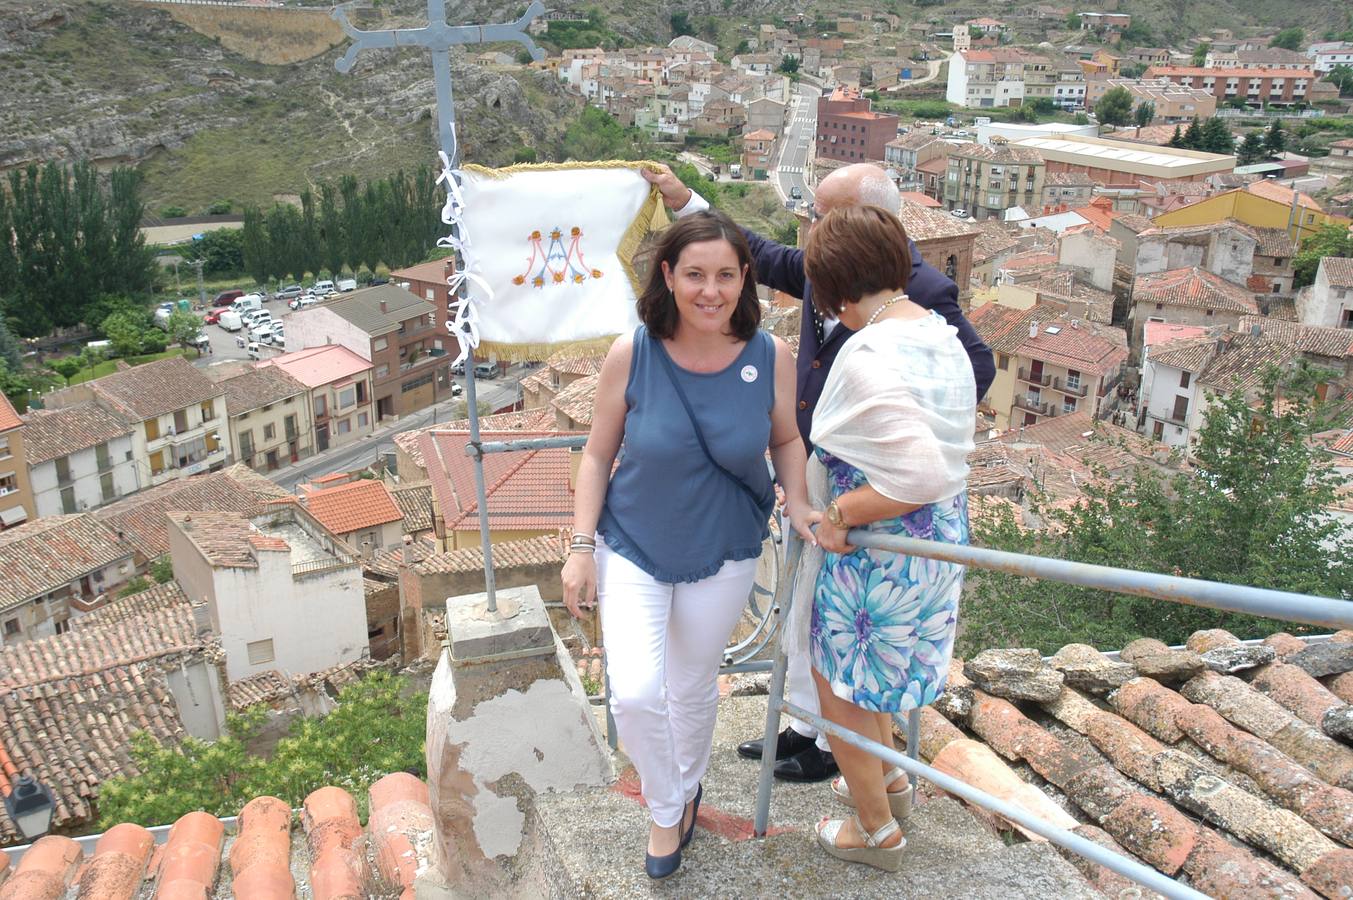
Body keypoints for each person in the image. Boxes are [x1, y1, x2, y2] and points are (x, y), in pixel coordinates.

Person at [643, 162, 994, 784]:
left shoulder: (920, 290)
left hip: (873, 491)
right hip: (820, 467)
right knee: (811, 615)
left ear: (868, 219)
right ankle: (808, 728)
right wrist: (686, 200)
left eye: (822, 214)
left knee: (848, 638)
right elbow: (759, 254)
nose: (810, 225)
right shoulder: (831, 263)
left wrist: (891, 426)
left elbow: (974, 368)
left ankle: (840, 756)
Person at [562, 209, 815, 880]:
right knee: (634, 695)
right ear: (669, 276)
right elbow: (596, 455)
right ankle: (667, 803)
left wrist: (798, 500)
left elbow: (786, 439)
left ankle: (683, 790)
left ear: (745, 279)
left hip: (725, 550)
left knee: (693, 685)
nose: (711, 290)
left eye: (726, 275)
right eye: (696, 275)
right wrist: (581, 546)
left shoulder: (769, 356)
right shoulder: (634, 352)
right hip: (633, 544)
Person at [797, 205, 974, 870]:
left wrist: (840, 514)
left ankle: (874, 832)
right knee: (871, 678)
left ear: (834, 288)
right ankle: (891, 782)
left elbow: (918, 472)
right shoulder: (937, 332)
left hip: (879, 547)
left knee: (836, 684)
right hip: (932, 544)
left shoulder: (869, 351)